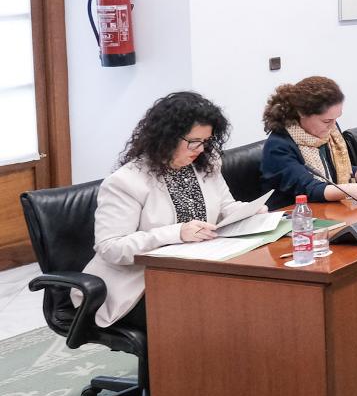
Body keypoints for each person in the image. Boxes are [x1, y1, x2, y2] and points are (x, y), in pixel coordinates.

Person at [85, 92, 267, 328]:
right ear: (166, 137)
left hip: (199, 269)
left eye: (206, 141)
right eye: (193, 142)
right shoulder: (126, 182)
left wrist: (252, 212)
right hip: (142, 285)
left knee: (252, 294)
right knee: (220, 307)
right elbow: (111, 248)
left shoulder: (205, 165)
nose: (200, 149)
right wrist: (176, 233)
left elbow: (225, 208)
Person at [260, 76, 357, 210]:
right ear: (301, 113)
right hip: (296, 218)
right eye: (327, 121)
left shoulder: (326, 132)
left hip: (331, 209)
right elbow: (308, 188)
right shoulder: (278, 146)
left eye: (336, 119)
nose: (333, 126)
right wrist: (351, 190)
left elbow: (335, 171)